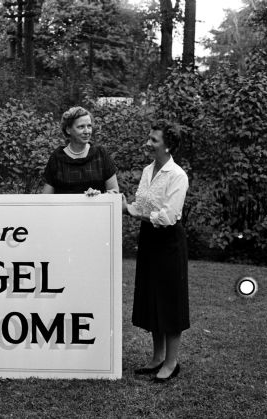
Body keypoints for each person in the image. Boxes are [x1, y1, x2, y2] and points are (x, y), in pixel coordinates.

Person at [122, 120, 189, 383]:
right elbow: (139, 204)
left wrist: (138, 212)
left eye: (154, 140)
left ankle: (172, 362)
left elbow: (169, 216)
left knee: (170, 300)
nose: (148, 143)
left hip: (169, 241)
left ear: (168, 145)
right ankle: (158, 357)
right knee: (152, 297)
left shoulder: (177, 176)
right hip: (149, 238)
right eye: (148, 138)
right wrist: (125, 205)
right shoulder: (148, 170)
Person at [42, 106, 119, 195]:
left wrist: (99, 196)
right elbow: (46, 197)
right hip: (65, 209)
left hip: (95, 208)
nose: (87, 131)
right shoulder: (57, 157)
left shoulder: (100, 154)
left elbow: (114, 191)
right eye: (81, 127)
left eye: (89, 126)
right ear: (68, 130)